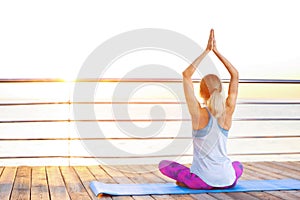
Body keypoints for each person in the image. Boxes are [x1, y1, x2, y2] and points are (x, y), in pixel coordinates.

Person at [158, 29, 243, 189]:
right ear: (220, 89)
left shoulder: (197, 112)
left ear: (201, 92)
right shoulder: (228, 110)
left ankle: (189, 181)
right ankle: (215, 178)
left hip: (203, 181)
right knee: (238, 165)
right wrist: (217, 52)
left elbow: (186, 75)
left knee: (164, 164)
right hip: (228, 180)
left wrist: (206, 51)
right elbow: (235, 75)